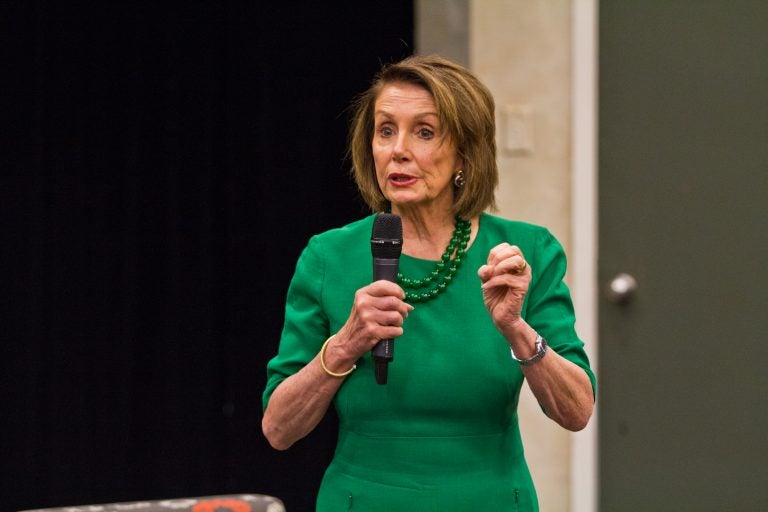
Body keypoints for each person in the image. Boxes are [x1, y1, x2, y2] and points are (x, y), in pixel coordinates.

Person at [261, 55, 595, 511]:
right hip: (365, 499)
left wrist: (516, 328)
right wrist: (345, 344)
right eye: (385, 130)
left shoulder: (525, 253)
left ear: (464, 152)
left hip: (490, 499)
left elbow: (576, 411)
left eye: (424, 131)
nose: (398, 150)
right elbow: (279, 430)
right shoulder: (328, 257)